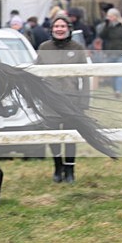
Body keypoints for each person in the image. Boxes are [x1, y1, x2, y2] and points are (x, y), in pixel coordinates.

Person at [36, 12, 90, 183]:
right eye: (56, 26)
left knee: (70, 136)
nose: (59, 29)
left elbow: (86, 76)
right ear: (52, 29)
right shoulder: (44, 48)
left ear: (69, 29)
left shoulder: (78, 49)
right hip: (50, 101)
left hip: (71, 100)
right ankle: (58, 167)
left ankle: (70, 170)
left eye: (63, 26)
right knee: (53, 135)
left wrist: (84, 100)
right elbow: (37, 73)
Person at [99, 7, 122, 98]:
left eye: (111, 16)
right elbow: (102, 36)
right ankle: (114, 89)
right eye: (108, 16)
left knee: (119, 72)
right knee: (112, 73)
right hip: (110, 52)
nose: (109, 18)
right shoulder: (107, 26)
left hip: (120, 52)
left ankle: (118, 90)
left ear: (116, 16)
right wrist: (106, 25)